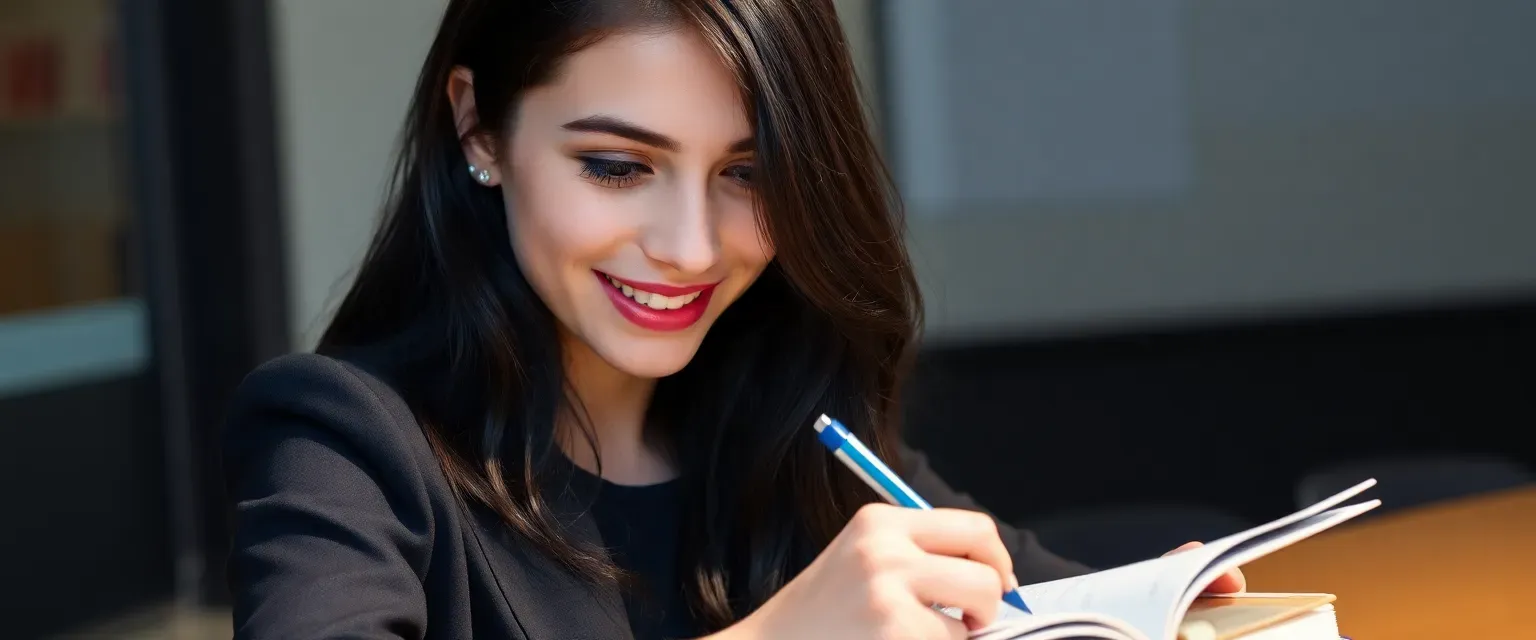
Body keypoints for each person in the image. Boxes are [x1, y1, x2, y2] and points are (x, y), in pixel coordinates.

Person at [222, 1, 1244, 638]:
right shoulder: (342, 441)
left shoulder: (784, 417)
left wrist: (1151, 602)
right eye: (618, 167)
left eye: (746, 175)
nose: (693, 247)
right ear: (477, 123)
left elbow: (1040, 597)